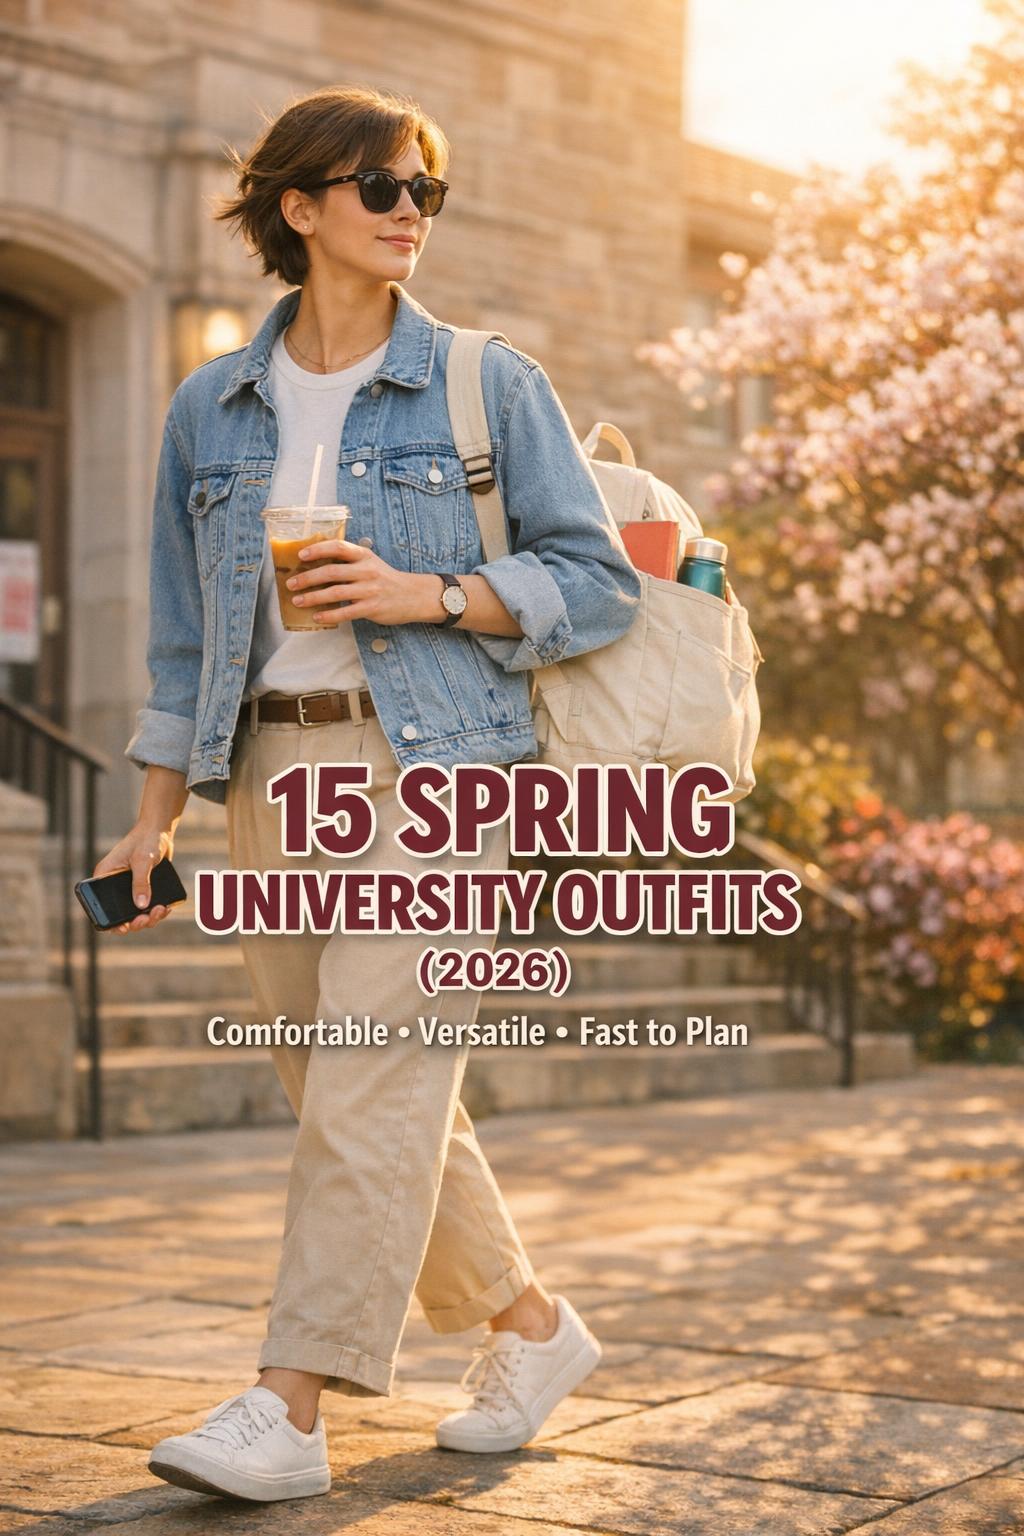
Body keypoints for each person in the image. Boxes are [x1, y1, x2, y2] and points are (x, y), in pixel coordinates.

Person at [95, 83, 641, 1503]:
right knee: (351, 1090)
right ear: (303, 206)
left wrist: (434, 591)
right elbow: (176, 638)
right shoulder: (207, 407)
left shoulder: (484, 381)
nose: (411, 214)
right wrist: (154, 816)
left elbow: (597, 579)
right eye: (384, 189)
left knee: (370, 1086)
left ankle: (288, 1407)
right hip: (267, 773)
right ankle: (532, 1330)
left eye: (425, 193)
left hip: (442, 771)